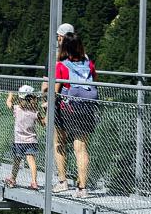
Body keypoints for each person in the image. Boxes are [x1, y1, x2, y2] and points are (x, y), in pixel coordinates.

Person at [44, 33, 99, 197]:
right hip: (87, 108)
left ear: (64, 48)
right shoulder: (89, 64)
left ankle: (63, 182)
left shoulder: (61, 65)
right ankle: (82, 188)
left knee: (59, 143)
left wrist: (48, 111)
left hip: (66, 110)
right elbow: (95, 81)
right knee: (81, 148)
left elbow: (55, 92)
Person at [5, 85, 44, 190]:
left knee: (17, 160)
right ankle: (34, 182)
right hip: (31, 140)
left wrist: (10, 95)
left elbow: (8, 103)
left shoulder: (16, 109)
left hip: (19, 141)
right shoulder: (36, 113)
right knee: (31, 160)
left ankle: (13, 178)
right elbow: (44, 123)